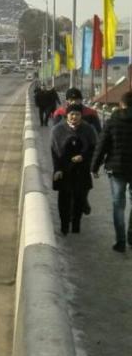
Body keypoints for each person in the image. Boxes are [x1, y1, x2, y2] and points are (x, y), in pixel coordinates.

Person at [92, 91, 132, 252]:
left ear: (121, 104)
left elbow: (102, 145)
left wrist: (94, 167)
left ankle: (120, 242)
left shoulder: (112, 121)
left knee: (118, 205)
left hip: (116, 168)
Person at [52, 104, 98, 235]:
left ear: (81, 115)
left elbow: (94, 149)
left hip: (81, 169)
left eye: (77, 114)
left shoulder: (88, 129)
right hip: (64, 169)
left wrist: (83, 156)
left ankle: (76, 225)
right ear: (67, 115)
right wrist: (57, 169)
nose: (74, 117)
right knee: (64, 199)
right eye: (72, 114)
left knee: (79, 198)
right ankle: (64, 226)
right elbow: (54, 152)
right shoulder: (58, 130)